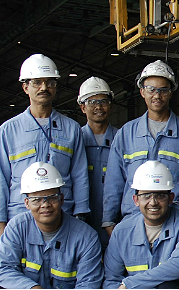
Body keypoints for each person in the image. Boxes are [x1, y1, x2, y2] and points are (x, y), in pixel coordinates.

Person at [102, 60, 179, 235]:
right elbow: (114, 182)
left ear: (170, 93)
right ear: (142, 92)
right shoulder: (126, 133)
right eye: (151, 89)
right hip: (134, 221)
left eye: (163, 90)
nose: (157, 95)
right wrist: (109, 220)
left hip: (177, 222)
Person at [0, 53, 90, 246]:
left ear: (56, 87)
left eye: (50, 82)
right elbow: (0, 177)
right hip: (20, 215)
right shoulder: (9, 130)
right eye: (37, 82)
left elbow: (80, 174)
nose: (44, 87)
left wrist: (81, 213)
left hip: (63, 214)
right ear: (25, 87)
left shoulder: (71, 129)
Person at [0, 162, 103, 289]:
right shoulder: (17, 228)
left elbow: (88, 284)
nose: (45, 205)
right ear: (27, 203)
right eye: (36, 200)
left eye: (52, 198)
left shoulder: (86, 237)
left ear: (62, 199)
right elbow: (3, 268)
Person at [103, 161, 179, 289]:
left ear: (171, 198)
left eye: (160, 195)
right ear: (136, 200)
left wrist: (129, 284)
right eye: (146, 195)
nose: (153, 202)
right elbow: (112, 280)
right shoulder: (121, 232)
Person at [78, 76, 118, 250]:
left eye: (103, 101)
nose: (98, 107)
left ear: (110, 105)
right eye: (92, 101)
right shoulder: (75, 140)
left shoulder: (122, 138)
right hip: (83, 220)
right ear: (82, 107)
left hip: (116, 220)